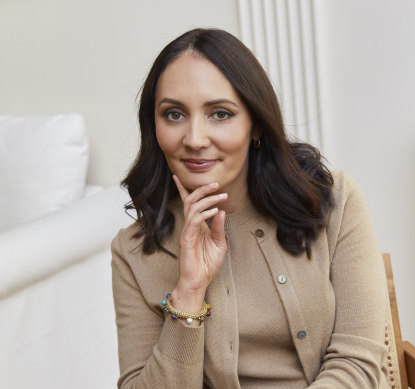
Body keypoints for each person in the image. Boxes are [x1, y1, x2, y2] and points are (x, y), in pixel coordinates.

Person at [111, 27, 391, 388]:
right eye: (174, 114)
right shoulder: (133, 252)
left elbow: (359, 364)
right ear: (154, 126)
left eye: (220, 114)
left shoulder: (334, 202)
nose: (194, 139)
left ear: (255, 123)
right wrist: (189, 293)